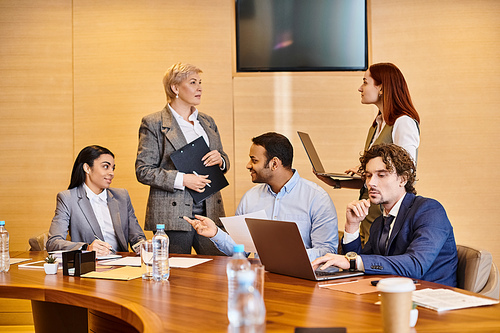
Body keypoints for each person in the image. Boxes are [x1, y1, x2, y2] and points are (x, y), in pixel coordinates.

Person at [312, 144, 457, 287]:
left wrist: (353, 261)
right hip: (390, 296)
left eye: (381, 175)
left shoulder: (430, 210)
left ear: (403, 179)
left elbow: (415, 265)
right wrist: (352, 225)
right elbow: (359, 266)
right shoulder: (379, 223)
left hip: (430, 299)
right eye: (368, 176)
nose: (371, 183)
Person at [184, 132, 338, 261]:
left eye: (254, 160)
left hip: (302, 282)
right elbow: (240, 250)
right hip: (261, 280)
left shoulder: (317, 198)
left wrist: (285, 256)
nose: (248, 165)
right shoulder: (250, 198)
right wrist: (216, 233)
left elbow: (327, 252)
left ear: (274, 164)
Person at [316, 62, 421, 245]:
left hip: (384, 216)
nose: (360, 88)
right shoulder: (377, 125)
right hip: (368, 213)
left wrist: (367, 169)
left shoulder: (402, 122)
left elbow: (406, 172)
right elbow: (376, 179)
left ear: (381, 87)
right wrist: (337, 182)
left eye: (365, 82)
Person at [135, 62, 229, 255]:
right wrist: (183, 180)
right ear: (175, 88)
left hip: (210, 210)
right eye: (193, 82)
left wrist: (221, 160)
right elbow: (143, 170)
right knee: (176, 275)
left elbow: (223, 159)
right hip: (172, 214)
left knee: (217, 270)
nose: (200, 87)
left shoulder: (207, 121)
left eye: (200, 82)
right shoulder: (154, 123)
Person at [46, 145, 146, 256]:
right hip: (90, 265)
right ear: (87, 168)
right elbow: (53, 243)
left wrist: (142, 246)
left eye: (113, 168)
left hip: (122, 263)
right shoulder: (68, 198)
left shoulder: (122, 196)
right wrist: (86, 247)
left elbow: (137, 237)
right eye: (105, 167)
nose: (111, 173)